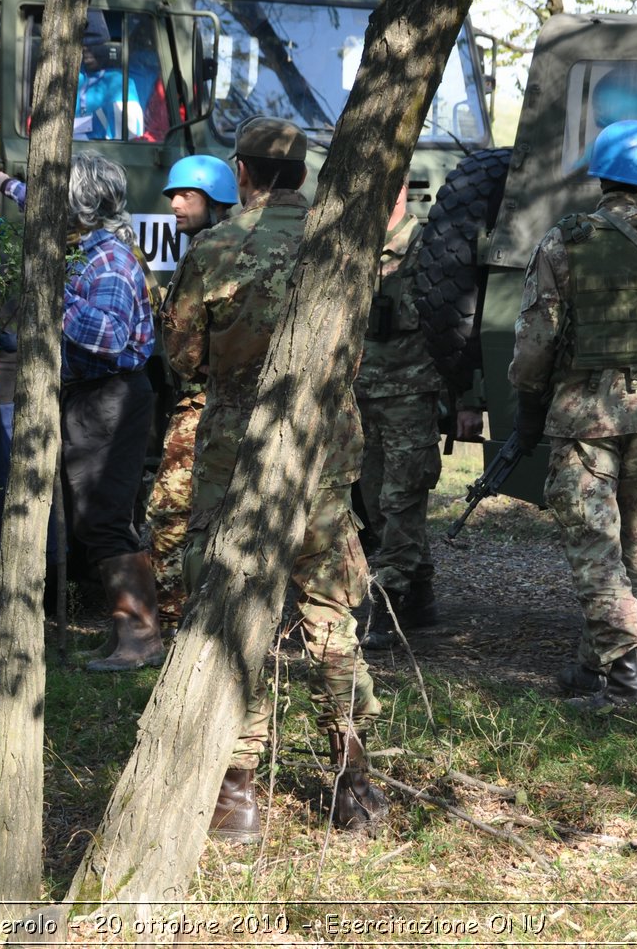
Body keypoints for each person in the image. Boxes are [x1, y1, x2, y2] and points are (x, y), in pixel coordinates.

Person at [164, 116, 387, 839]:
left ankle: (237, 792)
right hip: (324, 446)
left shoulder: (217, 247)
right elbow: (356, 351)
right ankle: (355, 781)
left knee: (236, 607)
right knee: (329, 610)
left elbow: (183, 355)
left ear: (242, 172)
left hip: (237, 452)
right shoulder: (342, 248)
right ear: (301, 174)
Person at [508, 119, 637, 711]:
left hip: (581, 421)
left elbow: (534, 345)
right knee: (632, 548)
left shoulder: (561, 243)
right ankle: (589, 667)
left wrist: (528, 401)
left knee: (595, 550)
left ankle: (626, 680)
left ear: (600, 174)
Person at [61, 153, 162, 672]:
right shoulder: (86, 251)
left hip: (112, 395)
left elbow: (106, 336)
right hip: (92, 396)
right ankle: (127, 634)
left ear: (78, 202)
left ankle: (141, 639)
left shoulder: (109, 262)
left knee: (105, 516)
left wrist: (50, 292)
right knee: (90, 517)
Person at [146, 154, 238, 630]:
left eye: (188, 195)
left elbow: (185, 352)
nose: (176, 204)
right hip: (207, 400)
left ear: (216, 201)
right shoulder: (213, 247)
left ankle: (173, 617)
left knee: (170, 510)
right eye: (173, 196)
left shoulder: (213, 252)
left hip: (205, 401)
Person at [355, 178, 444, 649]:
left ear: (404, 191)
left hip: (410, 393)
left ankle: (387, 606)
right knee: (374, 502)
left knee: (402, 500)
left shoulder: (429, 248)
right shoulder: (354, 248)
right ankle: (421, 593)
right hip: (362, 393)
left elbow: (454, 320)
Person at [75, 11, 145, 141]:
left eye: (92, 45)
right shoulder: (72, 77)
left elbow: (128, 137)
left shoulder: (120, 83)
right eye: (82, 45)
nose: (85, 50)